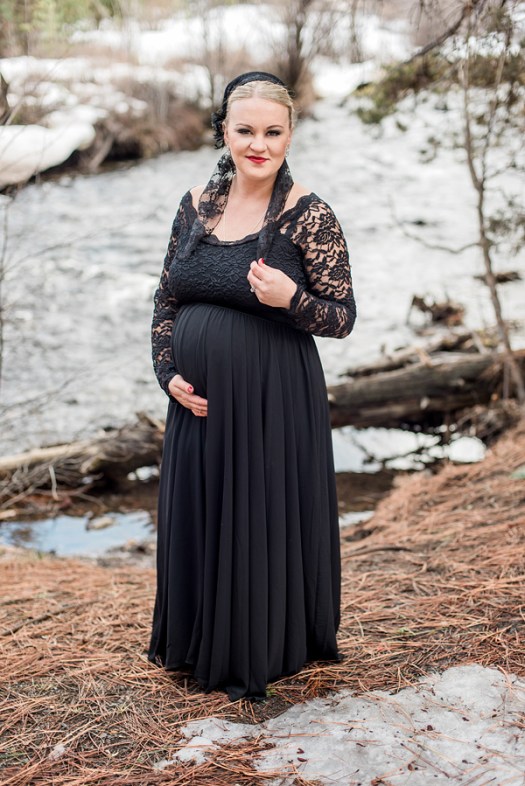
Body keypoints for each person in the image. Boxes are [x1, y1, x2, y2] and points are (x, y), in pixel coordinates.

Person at [147, 71, 356, 702]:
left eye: (272, 132)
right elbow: (166, 298)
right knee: (202, 516)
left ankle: (257, 648)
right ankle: (195, 644)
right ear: (224, 132)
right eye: (245, 131)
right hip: (198, 406)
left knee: (256, 520)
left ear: (290, 134)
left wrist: (292, 297)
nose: (258, 145)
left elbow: (341, 317)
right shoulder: (195, 204)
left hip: (271, 400)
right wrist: (168, 373)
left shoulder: (309, 215)